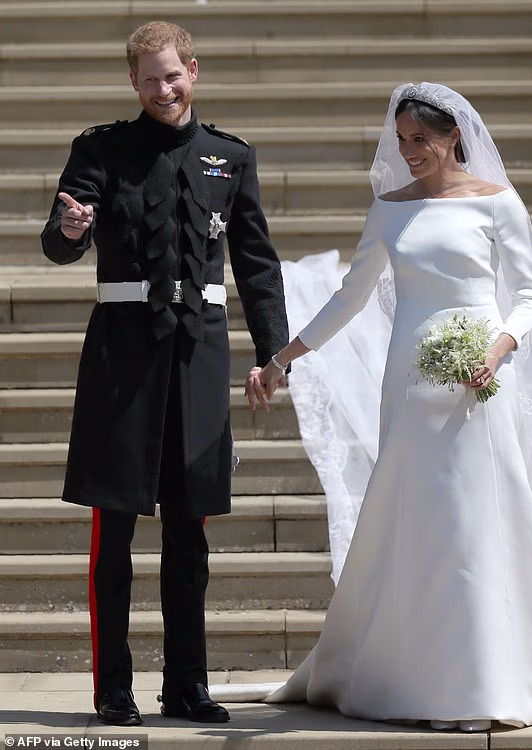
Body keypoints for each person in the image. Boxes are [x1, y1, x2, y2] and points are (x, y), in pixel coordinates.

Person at [242, 82, 532, 731]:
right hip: (410, 380)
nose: (408, 151)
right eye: (401, 141)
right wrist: (283, 359)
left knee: (483, 509)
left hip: (482, 376)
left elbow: (529, 297)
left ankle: (494, 673)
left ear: (453, 136)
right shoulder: (390, 210)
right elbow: (350, 298)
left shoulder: (498, 203)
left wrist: (499, 348)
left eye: (419, 139)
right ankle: (412, 669)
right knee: (419, 514)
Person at [41, 21, 289, 726]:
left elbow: (257, 264)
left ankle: (187, 685)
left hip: (199, 356)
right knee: (112, 533)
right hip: (121, 358)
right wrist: (71, 229)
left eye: (173, 75)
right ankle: (113, 690)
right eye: (149, 78)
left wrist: (272, 352)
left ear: (194, 71)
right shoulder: (100, 150)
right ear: (132, 82)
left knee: (189, 532)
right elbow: (59, 241)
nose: (163, 89)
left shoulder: (229, 157)